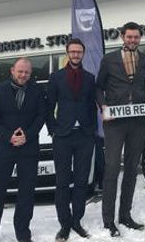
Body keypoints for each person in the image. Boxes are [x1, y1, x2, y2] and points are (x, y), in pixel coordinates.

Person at [96, 22, 145, 237]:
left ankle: (125, 215)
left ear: (140, 38)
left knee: (131, 169)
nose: (133, 40)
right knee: (112, 168)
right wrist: (103, 106)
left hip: (138, 122)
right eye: (129, 37)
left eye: (136, 37)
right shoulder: (109, 59)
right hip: (115, 122)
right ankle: (108, 220)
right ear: (122, 36)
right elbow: (98, 87)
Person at [0, 58, 46, 242]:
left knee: (26, 193)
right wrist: (9, 135)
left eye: (27, 72)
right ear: (12, 71)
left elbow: (41, 116)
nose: (23, 75)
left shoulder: (38, 91)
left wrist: (27, 135)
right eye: (20, 71)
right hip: (4, 148)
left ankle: (23, 233)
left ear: (30, 73)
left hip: (28, 148)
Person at [46, 38, 97, 241]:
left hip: (84, 135)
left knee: (81, 181)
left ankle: (77, 220)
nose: (76, 55)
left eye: (79, 52)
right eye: (73, 51)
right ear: (67, 53)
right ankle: (64, 224)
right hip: (63, 136)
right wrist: (53, 130)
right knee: (62, 182)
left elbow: (92, 106)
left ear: (83, 54)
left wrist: (92, 130)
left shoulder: (90, 78)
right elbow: (49, 107)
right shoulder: (56, 77)